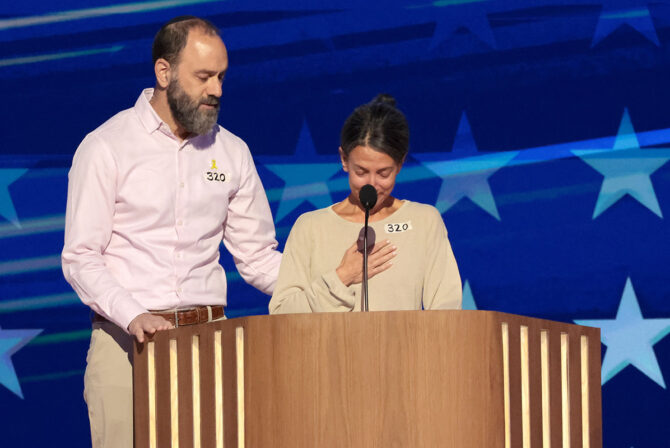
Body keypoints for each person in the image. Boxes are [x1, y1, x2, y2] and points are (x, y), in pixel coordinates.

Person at [61, 16, 281, 447]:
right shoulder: (107, 145)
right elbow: (81, 256)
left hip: (210, 344)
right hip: (126, 344)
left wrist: (325, 284)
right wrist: (134, 314)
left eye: (221, 76)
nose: (216, 90)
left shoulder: (232, 152)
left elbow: (258, 258)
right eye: (203, 77)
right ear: (164, 72)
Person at [269, 94, 461, 314]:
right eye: (361, 171)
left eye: (383, 173)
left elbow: (447, 312)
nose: (372, 184)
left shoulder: (424, 221)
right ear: (343, 159)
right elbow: (281, 315)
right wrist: (342, 276)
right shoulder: (310, 227)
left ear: (400, 164)